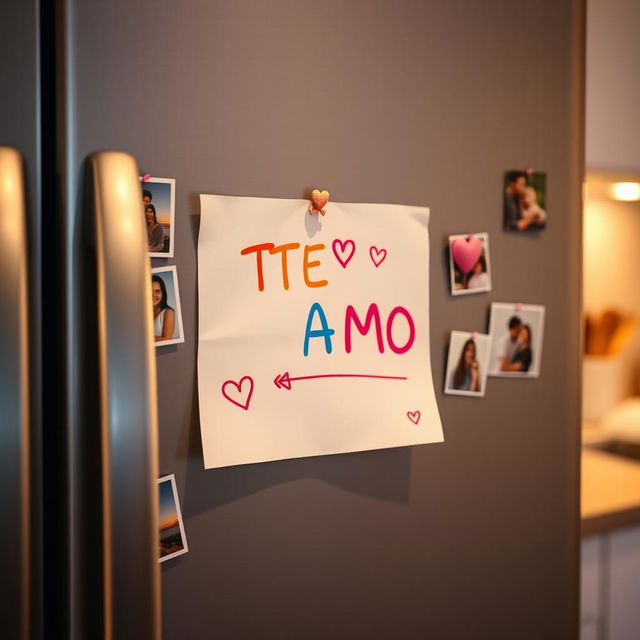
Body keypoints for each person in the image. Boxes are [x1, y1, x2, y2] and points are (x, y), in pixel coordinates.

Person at [152, 274, 176, 342]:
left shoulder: (168, 312)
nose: (153, 295)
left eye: (157, 291)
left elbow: (167, 339)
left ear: (163, 293)